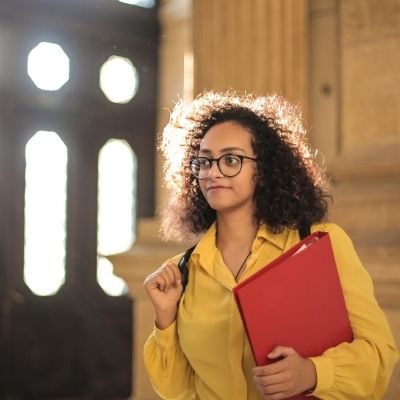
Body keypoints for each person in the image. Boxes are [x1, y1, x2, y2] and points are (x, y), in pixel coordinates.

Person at [143, 91, 399, 399]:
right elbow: (177, 390)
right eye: (204, 161)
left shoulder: (319, 244)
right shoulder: (182, 272)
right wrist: (166, 318)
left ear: (263, 168)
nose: (213, 172)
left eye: (231, 159)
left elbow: (379, 357)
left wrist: (313, 373)